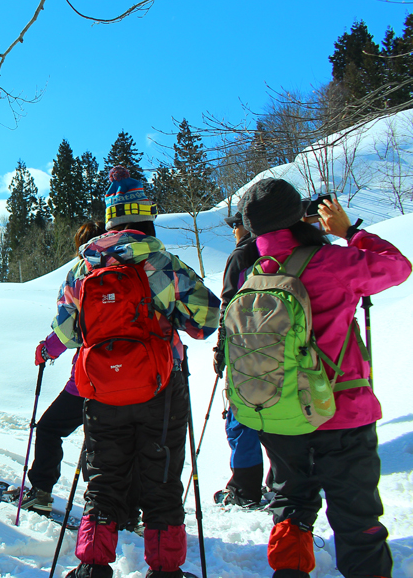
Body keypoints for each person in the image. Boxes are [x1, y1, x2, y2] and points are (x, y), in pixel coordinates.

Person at [238, 178, 410, 578]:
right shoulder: (331, 262)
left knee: (291, 505)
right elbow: (398, 267)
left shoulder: (256, 274)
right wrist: (350, 233)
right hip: (341, 412)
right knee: (356, 515)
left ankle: (291, 570)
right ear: (299, 215)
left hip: (279, 414)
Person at [54, 167, 220, 578]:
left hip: (101, 391)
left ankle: (92, 565)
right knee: (161, 478)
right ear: (146, 214)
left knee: (103, 477)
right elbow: (207, 317)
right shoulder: (160, 262)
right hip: (160, 388)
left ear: (110, 216)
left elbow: (66, 332)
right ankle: (165, 569)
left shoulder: (83, 269)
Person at [6, 221, 141, 530]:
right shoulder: (136, 266)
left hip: (90, 378)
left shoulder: (81, 273)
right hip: (136, 377)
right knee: (119, 445)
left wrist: (46, 350)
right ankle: (128, 512)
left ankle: (40, 492)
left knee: (50, 429)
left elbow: (69, 328)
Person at [212, 211, 267, 509]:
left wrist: (221, 349)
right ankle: (281, 481)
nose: (233, 231)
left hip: (246, 348)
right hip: (286, 345)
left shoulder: (242, 254)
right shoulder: (282, 248)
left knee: (240, 418)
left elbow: (228, 305)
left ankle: (245, 489)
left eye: (235, 225)